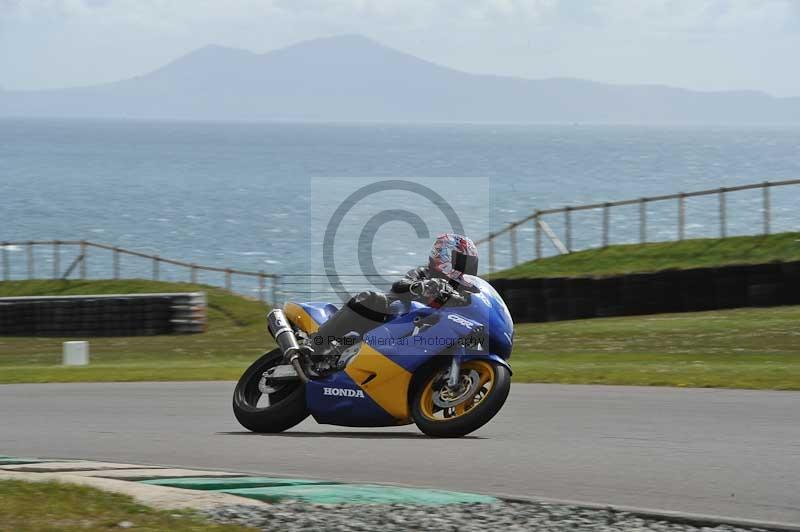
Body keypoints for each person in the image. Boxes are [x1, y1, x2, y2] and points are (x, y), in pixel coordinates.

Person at [304, 233, 480, 360]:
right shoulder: (423, 273)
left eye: (470, 263)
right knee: (370, 298)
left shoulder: (463, 290)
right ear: (444, 256)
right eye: (463, 261)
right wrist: (421, 286)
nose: (468, 268)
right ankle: (317, 342)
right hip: (388, 322)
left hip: (423, 336)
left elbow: (475, 305)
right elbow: (399, 286)